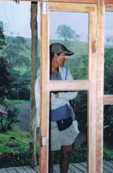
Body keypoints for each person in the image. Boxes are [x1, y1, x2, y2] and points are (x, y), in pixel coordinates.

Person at [35, 43, 79, 173]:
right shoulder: (41, 75)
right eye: (64, 55)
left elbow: (74, 93)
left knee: (67, 151)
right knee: (51, 155)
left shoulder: (65, 72)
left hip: (66, 119)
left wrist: (58, 94)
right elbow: (43, 100)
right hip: (51, 121)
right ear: (55, 55)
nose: (65, 59)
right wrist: (64, 94)